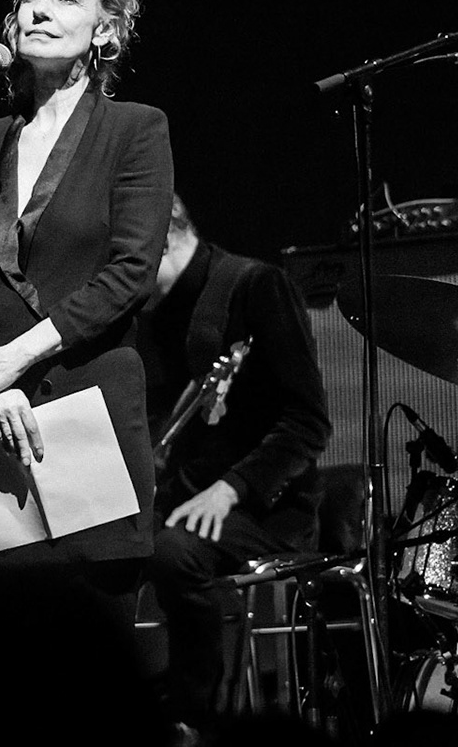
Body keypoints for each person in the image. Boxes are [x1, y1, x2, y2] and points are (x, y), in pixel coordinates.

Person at [0, 0, 174, 619]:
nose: (38, 10)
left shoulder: (136, 130)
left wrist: (18, 357)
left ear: (103, 29)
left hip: (92, 420)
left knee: (93, 673)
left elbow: (131, 273)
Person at [139, 194, 330, 736]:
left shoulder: (254, 287)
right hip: (187, 496)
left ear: (160, 239)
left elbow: (308, 422)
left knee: (173, 552)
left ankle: (196, 713)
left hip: (267, 512)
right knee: (93, 547)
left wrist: (231, 488)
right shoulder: (158, 319)